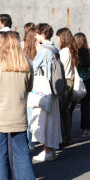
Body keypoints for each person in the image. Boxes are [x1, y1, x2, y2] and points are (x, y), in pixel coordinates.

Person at [0, 31, 52, 180]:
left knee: (0, 150)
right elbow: (29, 87)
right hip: (18, 112)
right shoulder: (26, 62)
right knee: (21, 150)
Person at [29, 23, 62, 162]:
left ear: (42, 34)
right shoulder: (54, 48)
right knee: (52, 120)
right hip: (53, 89)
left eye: (36, 34)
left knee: (43, 120)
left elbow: (33, 68)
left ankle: (47, 151)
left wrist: (37, 51)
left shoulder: (43, 51)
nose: (35, 36)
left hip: (43, 89)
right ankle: (51, 150)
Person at [56, 27, 77, 146]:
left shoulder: (64, 51)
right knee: (65, 112)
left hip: (65, 82)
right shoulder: (72, 49)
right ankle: (67, 136)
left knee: (59, 111)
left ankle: (62, 136)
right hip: (71, 81)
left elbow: (61, 69)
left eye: (58, 37)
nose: (57, 40)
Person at [70, 32, 90, 137]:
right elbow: (89, 64)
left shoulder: (72, 52)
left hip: (75, 80)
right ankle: (86, 130)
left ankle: (66, 129)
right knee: (85, 106)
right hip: (86, 80)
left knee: (70, 105)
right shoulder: (87, 51)